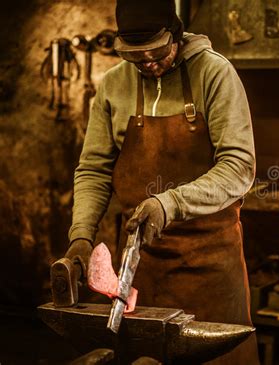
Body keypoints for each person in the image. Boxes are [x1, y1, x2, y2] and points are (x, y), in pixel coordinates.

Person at [55, 0, 259, 363]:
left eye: (156, 52)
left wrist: (169, 203)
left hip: (209, 265)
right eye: (136, 57)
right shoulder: (114, 84)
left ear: (176, 35)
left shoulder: (214, 74)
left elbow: (239, 167)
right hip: (141, 267)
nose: (148, 63)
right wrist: (81, 235)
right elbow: (94, 169)